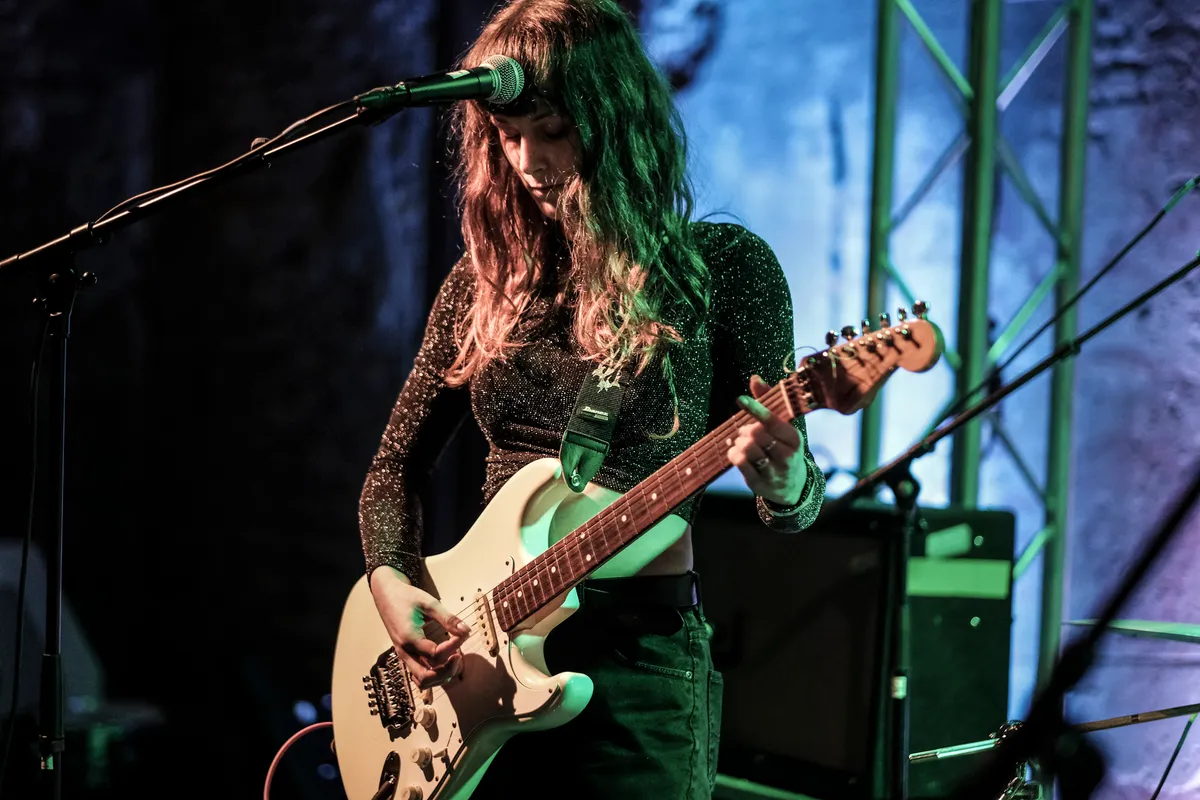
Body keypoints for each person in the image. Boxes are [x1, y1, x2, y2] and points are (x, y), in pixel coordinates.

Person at [358, 1, 826, 797]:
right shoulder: (485, 283)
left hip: (638, 670)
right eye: (507, 136)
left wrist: (784, 483)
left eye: (552, 130)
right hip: (480, 665)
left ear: (617, 122)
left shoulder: (721, 270)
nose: (528, 161)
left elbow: (798, 506)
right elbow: (395, 466)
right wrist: (392, 580)